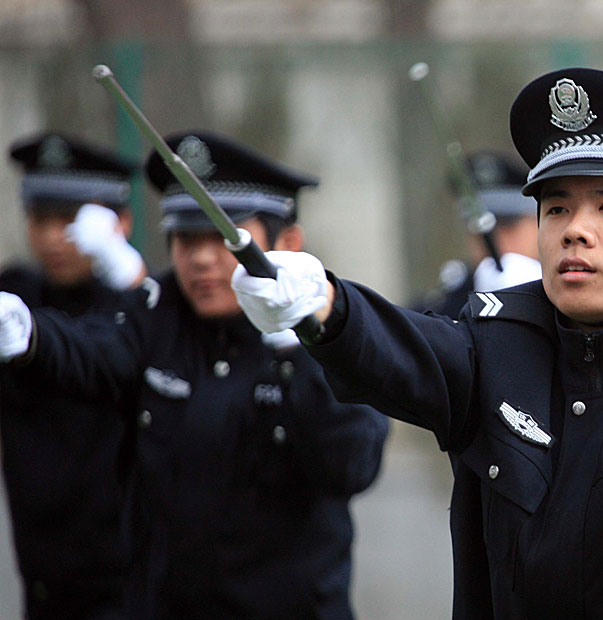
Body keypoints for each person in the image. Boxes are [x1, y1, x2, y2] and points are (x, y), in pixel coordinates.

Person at [229, 68, 603, 619]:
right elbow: (400, 348)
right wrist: (321, 303)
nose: (575, 229)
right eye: (556, 208)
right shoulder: (495, 345)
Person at [0, 131, 389, 619]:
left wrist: (296, 344)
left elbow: (353, 462)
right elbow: (94, 352)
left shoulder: (334, 331)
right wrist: (29, 334)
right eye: (186, 238)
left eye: (222, 239)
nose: (201, 258)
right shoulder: (158, 314)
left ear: (287, 242)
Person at [0, 132, 144, 619]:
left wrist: (130, 279)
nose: (51, 237)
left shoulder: (137, 308)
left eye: (69, 221)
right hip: (41, 574)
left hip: (127, 580)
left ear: (119, 223)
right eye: (41, 219)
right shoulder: (14, 299)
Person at [416, 150, 541, 316]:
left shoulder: (567, 295)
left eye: (508, 224)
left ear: (539, 223)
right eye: (479, 226)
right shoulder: (439, 309)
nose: (494, 237)